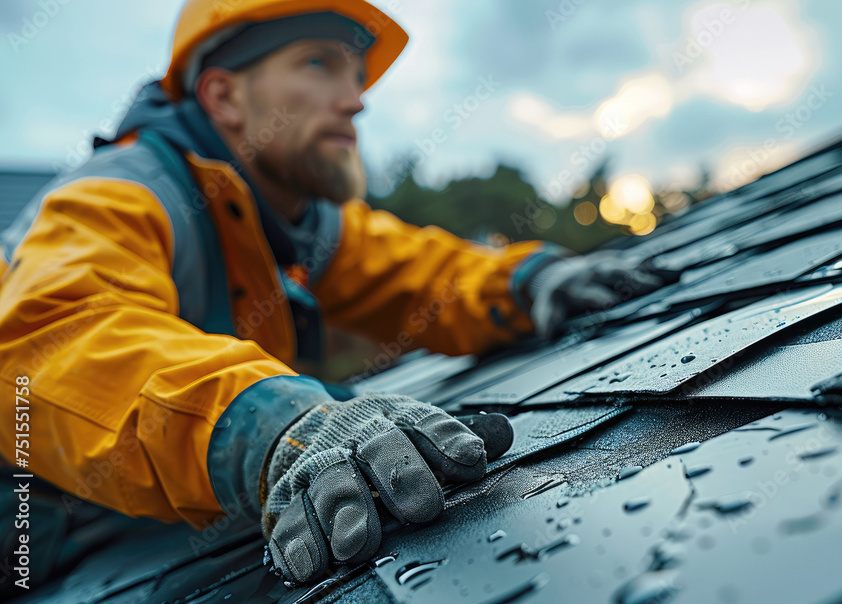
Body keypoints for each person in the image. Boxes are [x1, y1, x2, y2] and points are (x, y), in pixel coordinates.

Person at [0, 0, 660, 586]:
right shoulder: (118, 196)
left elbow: (419, 272)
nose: (356, 100)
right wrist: (272, 426)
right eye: (319, 64)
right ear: (224, 96)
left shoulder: (293, 219)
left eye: (356, 74)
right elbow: (52, 345)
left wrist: (525, 281)